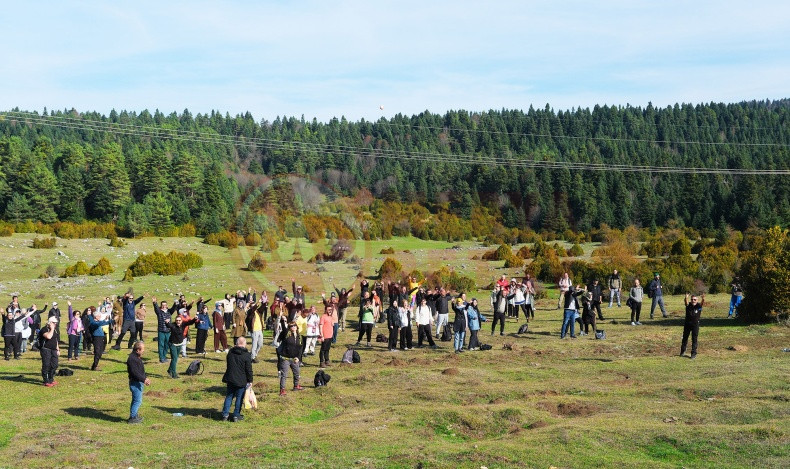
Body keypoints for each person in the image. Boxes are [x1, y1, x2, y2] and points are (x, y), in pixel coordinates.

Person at [221, 337, 253, 422]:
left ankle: (225, 415)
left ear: (237, 343)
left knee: (229, 396)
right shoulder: (246, 355)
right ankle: (236, 415)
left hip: (230, 378)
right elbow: (249, 369)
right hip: (241, 380)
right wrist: (250, 380)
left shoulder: (230, 352)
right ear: (244, 344)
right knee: (239, 398)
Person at [166, 314, 198, 378]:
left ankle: (170, 370)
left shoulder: (183, 324)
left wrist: (194, 319)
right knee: (174, 359)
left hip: (179, 344)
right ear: (175, 321)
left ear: (181, 321)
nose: (178, 322)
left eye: (179, 320)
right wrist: (167, 322)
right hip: (172, 344)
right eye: (177, 320)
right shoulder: (173, 325)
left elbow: (190, 322)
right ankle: (174, 374)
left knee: (175, 358)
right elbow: (168, 325)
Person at [126, 340, 151, 424]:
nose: (143, 351)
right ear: (138, 350)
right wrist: (144, 379)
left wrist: (145, 378)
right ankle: (132, 417)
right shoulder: (132, 359)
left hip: (138, 382)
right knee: (137, 401)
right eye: (142, 349)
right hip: (135, 383)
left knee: (135, 400)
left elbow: (140, 371)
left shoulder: (136, 357)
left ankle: (134, 415)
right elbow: (135, 373)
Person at [277, 322, 303, 396]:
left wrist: (298, 358)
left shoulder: (299, 337)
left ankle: (296, 386)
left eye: (294, 325)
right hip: (285, 359)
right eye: (291, 326)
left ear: (297, 327)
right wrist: (282, 320)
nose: (293, 327)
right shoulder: (286, 334)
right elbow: (284, 329)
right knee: (284, 375)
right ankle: (282, 390)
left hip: (294, 359)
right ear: (289, 328)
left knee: (297, 373)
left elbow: (300, 348)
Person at [680, 293, 705, 359]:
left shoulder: (699, 306)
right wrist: (686, 297)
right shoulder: (689, 305)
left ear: (697, 300)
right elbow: (686, 302)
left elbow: (702, 303)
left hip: (695, 325)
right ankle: (682, 351)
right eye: (692, 299)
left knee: (694, 339)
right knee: (685, 338)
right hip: (687, 324)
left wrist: (703, 299)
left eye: (694, 299)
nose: (693, 301)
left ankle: (693, 353)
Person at [39, 316, 60, 386]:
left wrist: (58, 349)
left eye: (56, 323)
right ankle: (46, 380)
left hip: (54, 350)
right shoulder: (44, 329)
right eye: (54, 323)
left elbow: (56, 340)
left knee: (55, 365)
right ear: (50, 322)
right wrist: (52, 329)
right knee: (46, 365)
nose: (55, 324)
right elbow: (48, 336)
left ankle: (51, 379)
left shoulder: (55, 330)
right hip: (46, 349)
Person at [152, 298, 171, 363]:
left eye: (165, 305)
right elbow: (156, 308)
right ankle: (161, 358)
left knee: (167, 345)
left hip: (168, 331)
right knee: (161, 345)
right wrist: (155, 303)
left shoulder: (169, 311)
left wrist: (176, 303)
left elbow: (174, 308)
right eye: (162, 305)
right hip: (161, 331)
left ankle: (164, 356)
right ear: (161, 305)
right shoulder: (159, 312)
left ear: (167, 305)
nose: (164, 306)